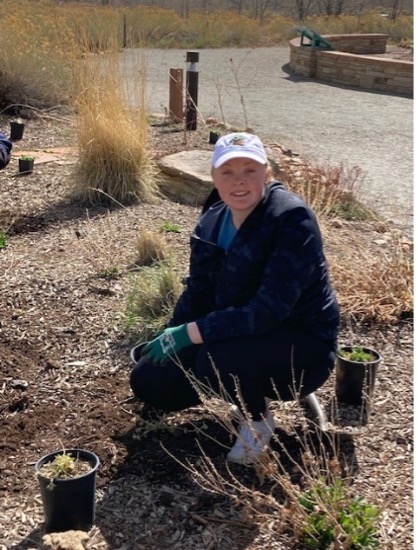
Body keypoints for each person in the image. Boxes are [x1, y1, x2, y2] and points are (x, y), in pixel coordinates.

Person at [130, 132, 339, 465]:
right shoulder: (213, 217)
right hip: (238, 333)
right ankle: (240, 384)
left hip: (302, 344)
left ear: (267, 174)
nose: (238, 181)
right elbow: (198, 289)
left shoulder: (291, 220)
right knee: (149, 378)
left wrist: (190, 334)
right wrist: (172, 332)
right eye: (227, 172)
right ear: (213, 177)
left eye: (250, 170)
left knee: (216, 358)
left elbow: (267, 312)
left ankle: (258, 420)